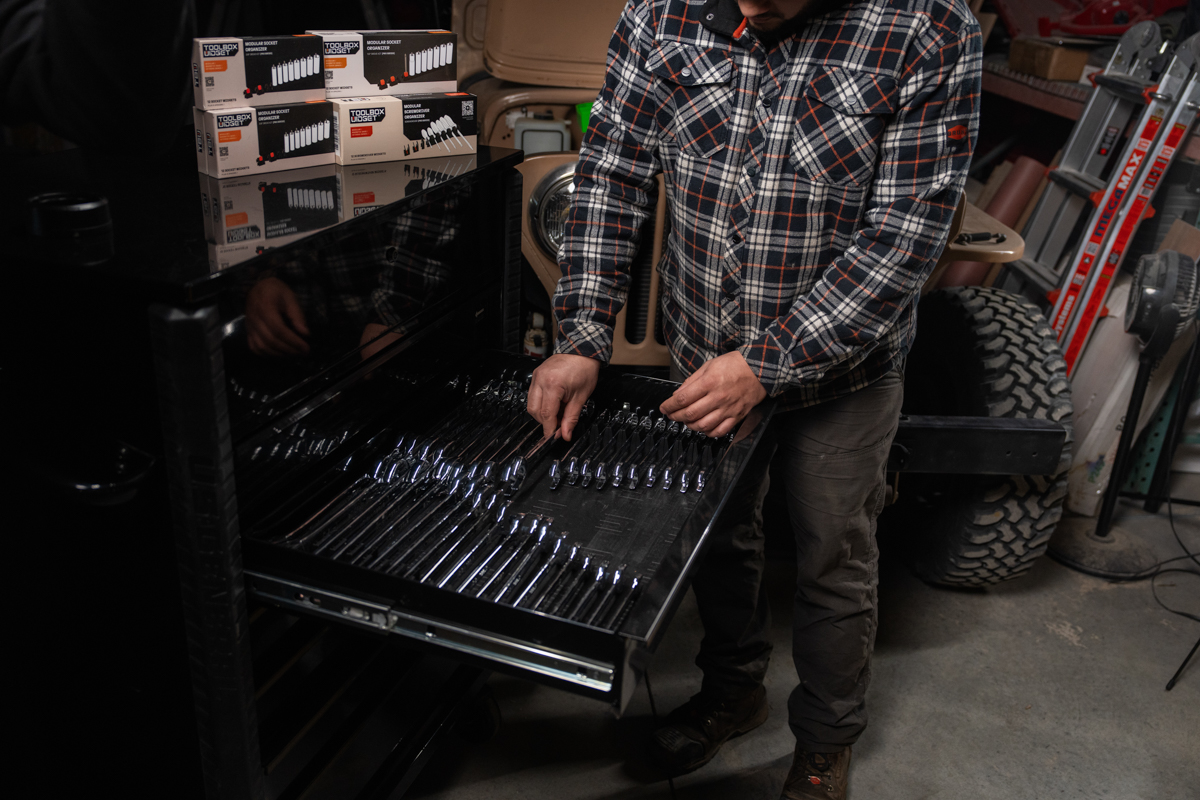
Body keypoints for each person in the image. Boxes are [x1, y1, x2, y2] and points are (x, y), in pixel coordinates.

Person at [526, 0, 981, 797]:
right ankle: (732, 693)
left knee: (832, 554)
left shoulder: (925, 26)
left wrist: (769, 363)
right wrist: (581, 333)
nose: (748, 9)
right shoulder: (659, 14)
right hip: (703, 349)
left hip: (845, 372)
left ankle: (824, 742)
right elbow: (613, 176)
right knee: (719, 536)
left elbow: (908, 232)